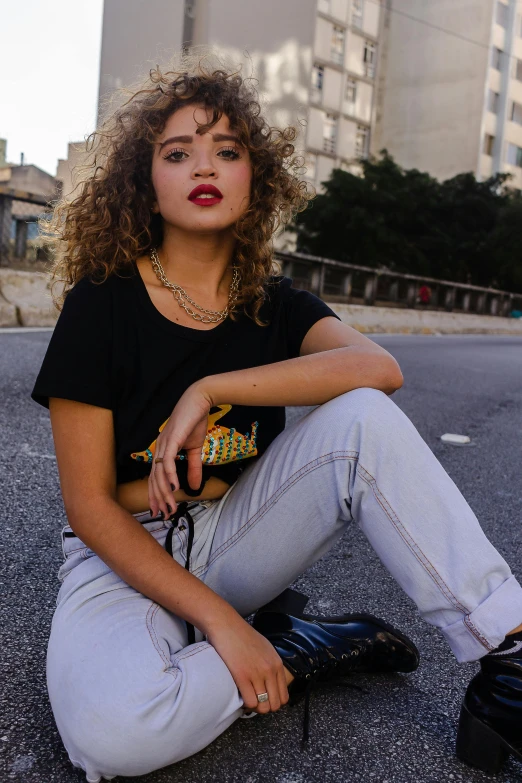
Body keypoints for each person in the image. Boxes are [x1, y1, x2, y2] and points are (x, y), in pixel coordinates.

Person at [31, 52, 522, 782]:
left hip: (236, 535)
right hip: (124, 555)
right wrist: (227, 624)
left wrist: (211, 387)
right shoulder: (101, 302)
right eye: (178, 153)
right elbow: (90, 506)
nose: (205, 166)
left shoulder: (274, 302)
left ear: (254, 176)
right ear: (146, 181)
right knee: (111, 734)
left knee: (362, 418)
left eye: (226, 151)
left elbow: (378, 372)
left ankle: (509, 658)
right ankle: (290, 647)